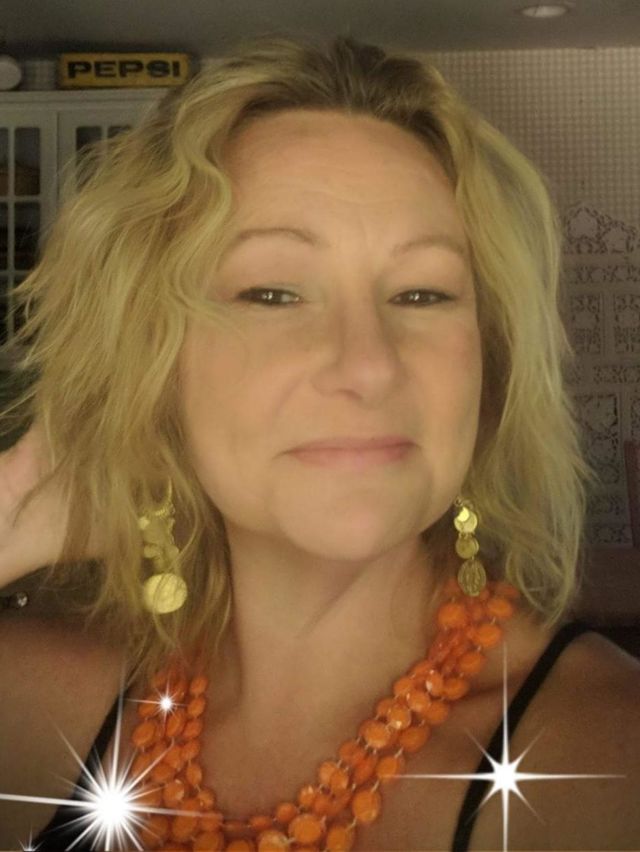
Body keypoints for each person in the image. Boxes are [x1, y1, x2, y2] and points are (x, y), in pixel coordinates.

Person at [0, 31, 638, 852]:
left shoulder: (605, 766)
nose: (369, 365)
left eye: (422, 293)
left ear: (488, 369)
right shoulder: (34, 707)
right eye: (272, 293)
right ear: (151, 360)